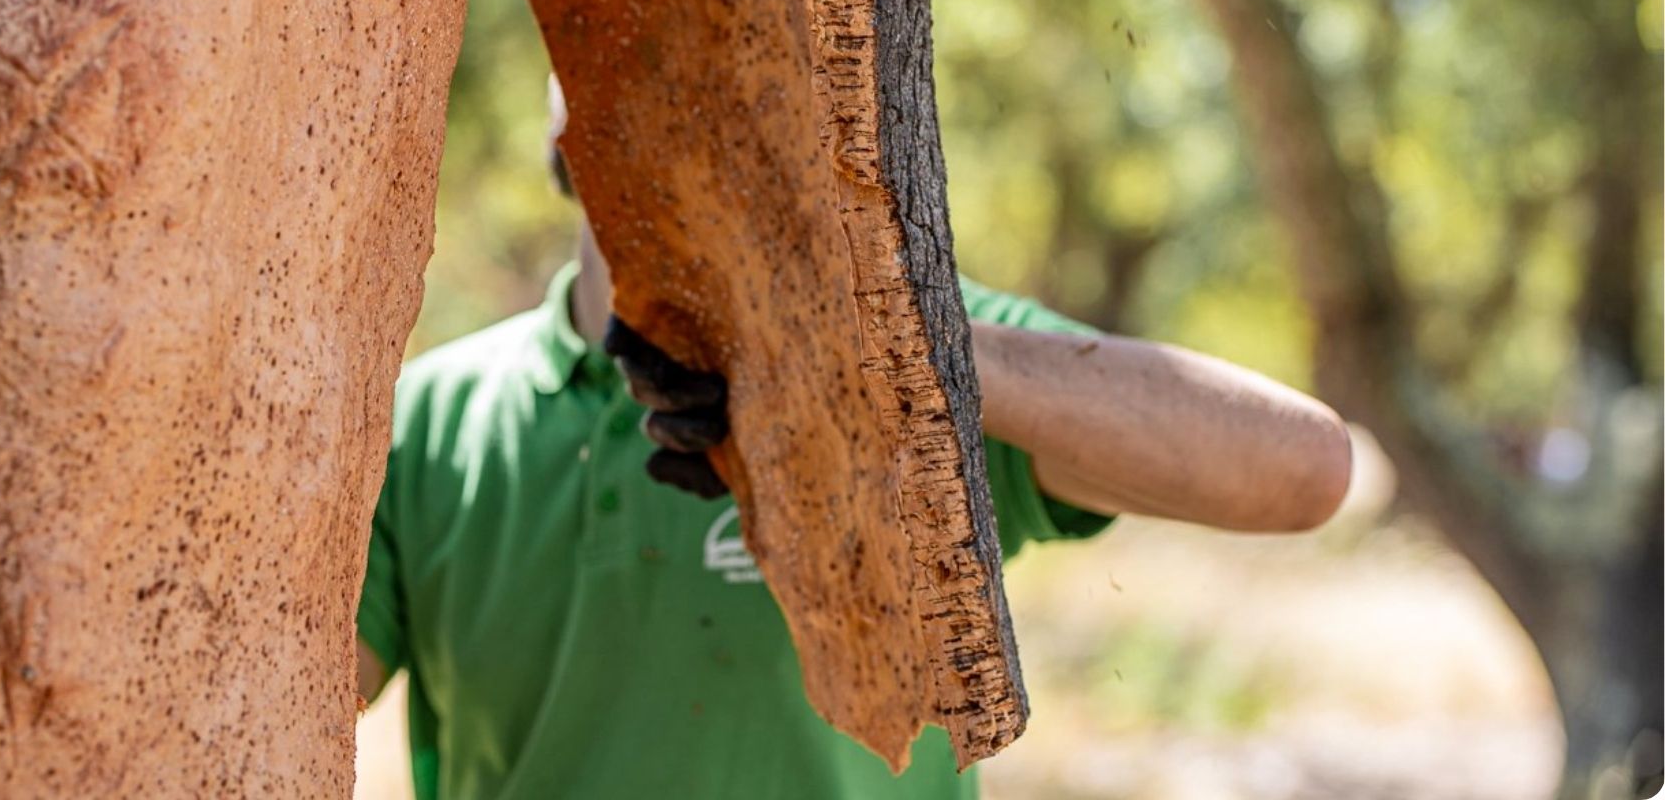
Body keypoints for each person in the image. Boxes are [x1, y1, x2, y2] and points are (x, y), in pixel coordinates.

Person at [357, 87, 1353, 800]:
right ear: (560, 122)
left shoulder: (926, 353)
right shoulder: (428, 420)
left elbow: (1300, 472)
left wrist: (896, 355)